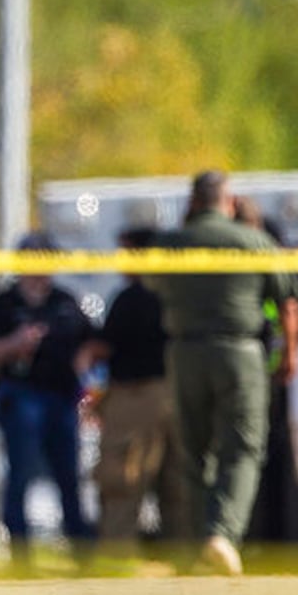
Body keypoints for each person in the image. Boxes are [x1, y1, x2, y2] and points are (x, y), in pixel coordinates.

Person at [154, 171, 298, 576]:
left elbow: (150, 288)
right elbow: (288, 303)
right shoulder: (254, 241)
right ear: (229, 201)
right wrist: (290, 354)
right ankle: (221, 536)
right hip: (241, 353)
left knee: (192, 451)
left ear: (193, 201)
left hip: (184, 352)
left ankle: (194, 545)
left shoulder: (171, 244)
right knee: (242, 448)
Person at [0, 233, 97, 573]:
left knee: (68, 477)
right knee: (21, 477)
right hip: (21, 397)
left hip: (61, 399)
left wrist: (84, 364)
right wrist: (16, 343)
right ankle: (21, 559)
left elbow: (93, 343)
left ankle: (82, 554)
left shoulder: (67, 302)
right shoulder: (2, 304)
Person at [81, 227, 187, 569]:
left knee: (122, 477)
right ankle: (182, 559)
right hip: (177, 394)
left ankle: (116, 557)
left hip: (136, 397)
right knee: (177, 484)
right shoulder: (178, 294)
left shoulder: (132, 298)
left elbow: (104, 346)